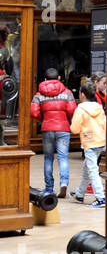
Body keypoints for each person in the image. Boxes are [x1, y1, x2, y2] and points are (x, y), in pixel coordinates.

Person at [31, 68, 76, 198]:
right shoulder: (67, 93)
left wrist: (43, 119)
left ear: (44, 79)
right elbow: (72, 110)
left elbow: (34, 112)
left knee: (48, 158)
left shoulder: (39, 95)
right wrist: (66, 118)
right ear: (59, 78)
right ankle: (63, 183)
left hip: (47, 129)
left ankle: (49, 187)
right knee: (63, 157)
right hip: (63, 129)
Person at [70, 82, 106, 207]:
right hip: (100, 141)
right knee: (87, 167)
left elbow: (74, 129)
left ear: (83, 95)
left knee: (92, 170)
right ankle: (80, 194)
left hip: (89, 142)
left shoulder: (80, 109)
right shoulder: (99, 108)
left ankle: (101, 197)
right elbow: (104, 124)